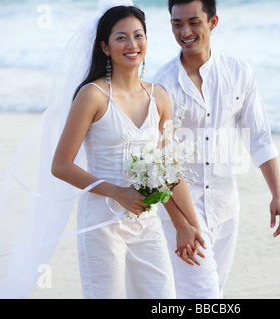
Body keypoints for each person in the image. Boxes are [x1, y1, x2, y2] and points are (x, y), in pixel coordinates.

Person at [50, 4, 205, 299]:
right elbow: (61, 165)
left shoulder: (159, 97)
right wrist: (116, 192)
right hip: (101, 223)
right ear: (105, 47)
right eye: (121, 38)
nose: (132, 45)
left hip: (146, 225)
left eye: (138, 35)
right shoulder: (92, 96)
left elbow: (169, 170)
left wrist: (189, 226)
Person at [153, 0, 280, 299]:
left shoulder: (239, 73)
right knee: (203, 296)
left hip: (226, 206)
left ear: (213, 22)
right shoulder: (161, 85)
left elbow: (260, 137)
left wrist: (277, 195)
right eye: (177, 24)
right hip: (184, 210)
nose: (185, 31)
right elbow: (158, 165)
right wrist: (180, 224)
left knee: (214, 292)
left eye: (193, 22)